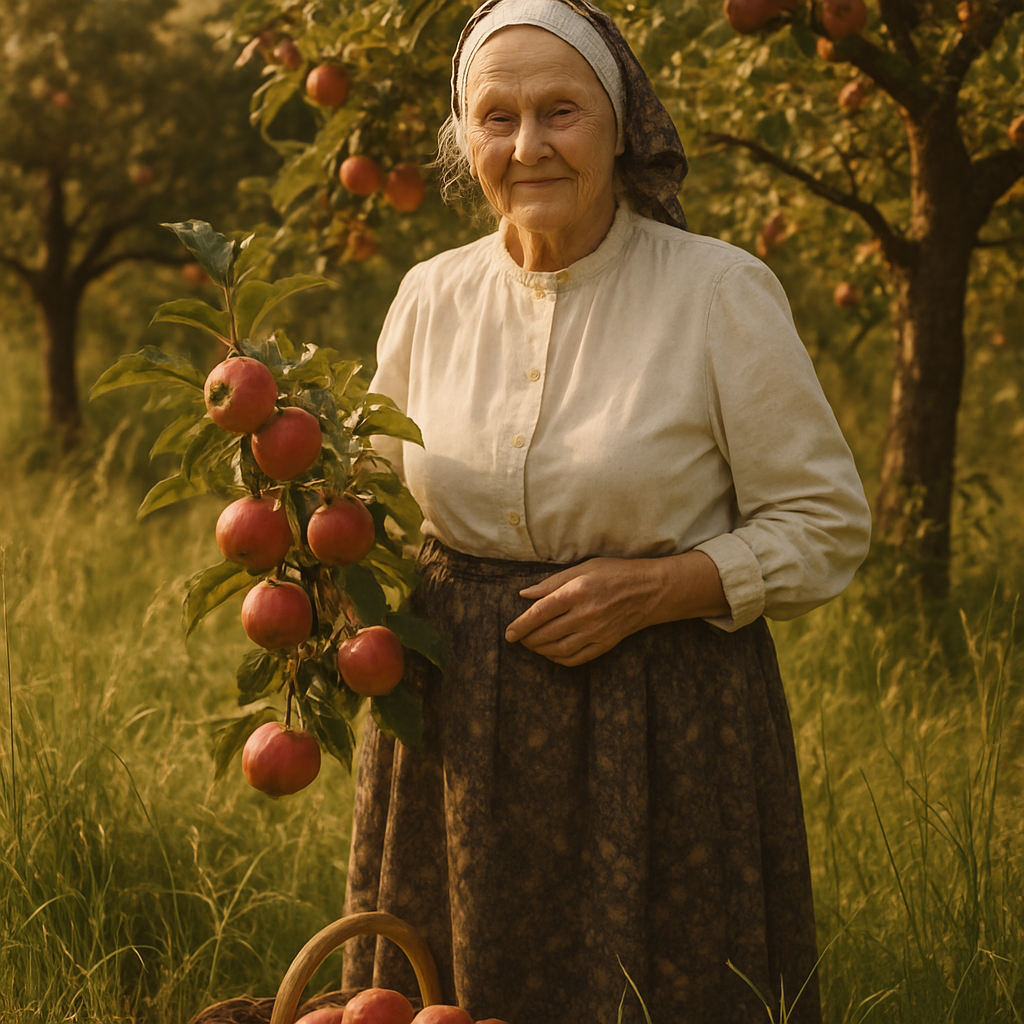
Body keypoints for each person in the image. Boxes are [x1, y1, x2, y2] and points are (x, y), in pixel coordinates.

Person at [341, 1, 871, 1022]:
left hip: (662, 727)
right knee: (452, 991)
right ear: (464, 139)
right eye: (497, 118)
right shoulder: (430, 297)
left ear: (620, 123)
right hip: (457, 739)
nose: (528, 145)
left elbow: (824, 521)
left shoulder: (716, 292)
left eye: (560, 112)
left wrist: (661, 587)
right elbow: (367, 501)